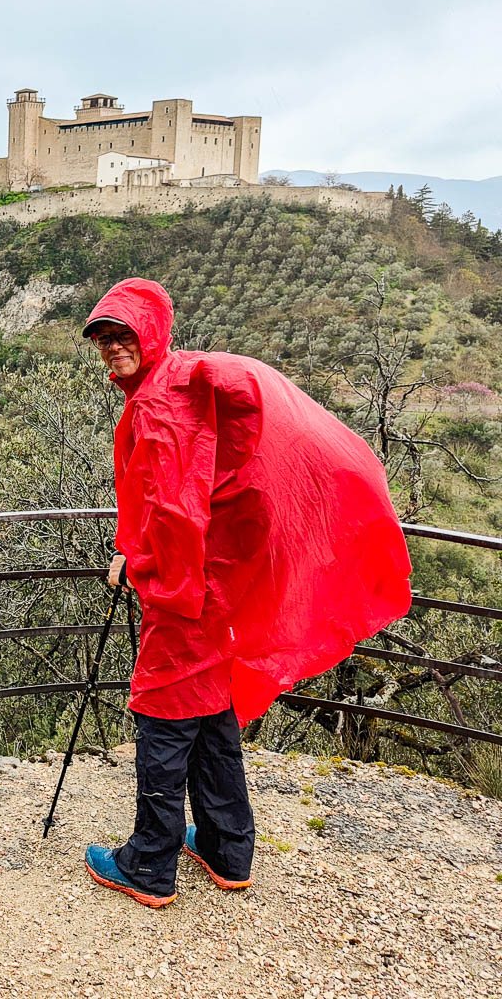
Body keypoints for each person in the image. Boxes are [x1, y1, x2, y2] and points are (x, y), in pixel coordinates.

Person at [78, 277, 412, 908]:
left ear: (150, 334)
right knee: (211, 711)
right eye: (103, 337)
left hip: (185, 589)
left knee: (164, 714)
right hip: (219, 581)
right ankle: (228, 849)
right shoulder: (182, 381)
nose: (112, 347)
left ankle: (148, 863)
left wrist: (142, 564)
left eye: (123, 334)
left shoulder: (157, 405)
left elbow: (175, 511)